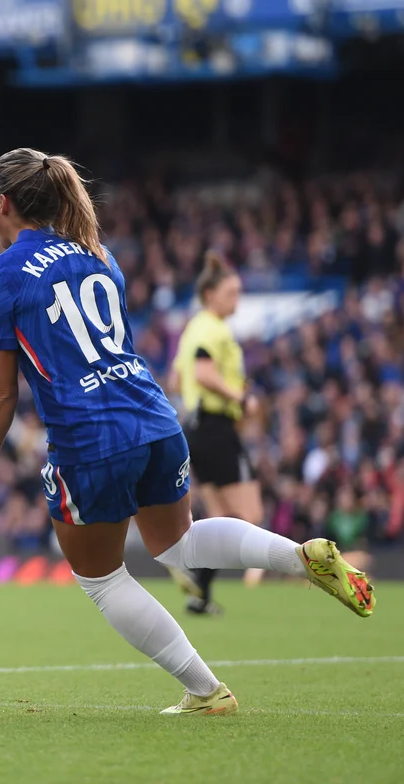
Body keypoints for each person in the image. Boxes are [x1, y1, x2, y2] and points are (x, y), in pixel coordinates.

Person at [0, 148, 374, 715]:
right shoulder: (98, 254)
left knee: (102, 578)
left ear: (0, 202)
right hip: (155, 418)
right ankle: (300, 555)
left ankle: (207, 692)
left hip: (90, 439)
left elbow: (0, 392)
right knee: (179, 541)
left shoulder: (0, 275)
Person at [167, 252, 264, 614]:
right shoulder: (213, 328)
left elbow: (178, 378)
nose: (236, 299)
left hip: (196, 427)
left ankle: (200, 592)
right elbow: (205, 373)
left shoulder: (193, 328)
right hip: (216, 427)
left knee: (219, 514)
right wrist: (241, 396)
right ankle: (192, 567)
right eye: (230, 292)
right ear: (210, 293)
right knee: (248, 513)